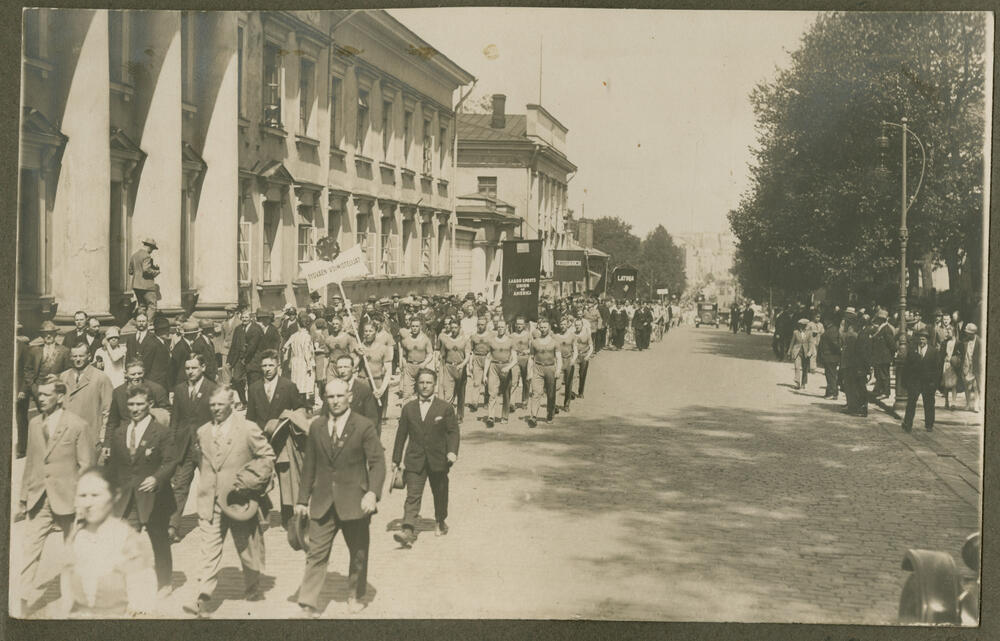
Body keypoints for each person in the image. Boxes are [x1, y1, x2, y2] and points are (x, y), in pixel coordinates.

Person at [295, 378, 386, 617]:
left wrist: (372, 493)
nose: (335, 401)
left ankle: (355, 595)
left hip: (355, 501)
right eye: (330, 397)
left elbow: (377, 462)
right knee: (316, 552)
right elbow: (309, 466)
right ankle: (308, 602)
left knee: (358, 552)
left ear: (350, 397)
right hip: (323, 501)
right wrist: (302, 500)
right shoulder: (317, 426)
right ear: (325, 398)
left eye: (339, 396)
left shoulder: (364, 426)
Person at [183, 387, 275, 617]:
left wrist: (251, 480)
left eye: (220, 405)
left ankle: (252, 584)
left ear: (231, 405)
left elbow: (267, 456)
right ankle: (203, 598)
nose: (215, 409)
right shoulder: (203, 431)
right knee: (209, 550)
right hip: (210, 501)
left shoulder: (247, 428)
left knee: (246, 545)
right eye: (212, 405)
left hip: (238, 499)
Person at [18, 376, 94, 615]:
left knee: (72, 551)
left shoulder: (77, 425)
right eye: (39, 394)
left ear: (60, 397)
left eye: (46, 394)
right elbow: (31, 462)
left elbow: (86, 467)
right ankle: (22, 601)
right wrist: (23, 497)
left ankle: (72, 600)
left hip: (69, 500)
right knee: (29, 550)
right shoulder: (33, 424)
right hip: (39, 498)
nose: (40, 399)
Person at [105, 384, 177, 596]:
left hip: (154, 497)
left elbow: (171, 461)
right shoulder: (120, 433)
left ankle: (164, 582)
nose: (135, 409)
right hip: (128, 498)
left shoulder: (161, 432)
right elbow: (114, 467)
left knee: (159, 540)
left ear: (150, 404)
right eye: (131, 404)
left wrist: (156, 478)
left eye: (139, 404)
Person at [57, 467, 157, 617]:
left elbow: (143, 607)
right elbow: (67, 593)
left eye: (95, 495)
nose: (88, 503)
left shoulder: (130, 542)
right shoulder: (77, 537)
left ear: (115, 495)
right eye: (83, 495)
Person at [392, 369, 459, 548]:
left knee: (440, 493)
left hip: (439, 460)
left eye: (428, 382)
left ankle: (440, 521)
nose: (425, 386)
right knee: (412, 495)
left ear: (434, 385)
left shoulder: (445, 408)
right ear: (417, 384)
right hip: (415, 459)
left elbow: (453, 432)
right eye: (421, 382)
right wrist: (396, 459)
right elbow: (401, 435)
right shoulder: (408, 408)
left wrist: (452, 452)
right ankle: (407, 530)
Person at [245, 349, 305, 527]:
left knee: (286, 480)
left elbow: (300, 410)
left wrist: (287, 418)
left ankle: (288, 517)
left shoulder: (288, 386)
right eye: (264, 365)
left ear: (278, 365)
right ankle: (260, 514)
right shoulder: (254, 388)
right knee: (260, 478)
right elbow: (250, 417)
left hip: (284, 440)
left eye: (271, 365)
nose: (267, 369)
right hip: (262, 442)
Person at [168, 353, 217, 543]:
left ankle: (214, 525)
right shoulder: (180, 389)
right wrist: (172, 443)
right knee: (179, 486)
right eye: (187, 368)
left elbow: (219, 420)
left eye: (194, 368)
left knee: (210, 486)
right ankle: (172, 527)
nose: (190, 371)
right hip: (184, 447)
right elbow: (175, 420)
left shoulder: (212, 389)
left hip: (206, 447)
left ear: (203, 368)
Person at [60, 342, 114, 452]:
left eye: (81, 356)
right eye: (74, 356)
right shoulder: (64, 377)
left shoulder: (101, 378)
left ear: (89, 356)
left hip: (90, 436)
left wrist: (103, 435)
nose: (78, 359)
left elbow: (108, 410)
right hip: (67, 436)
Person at [108, 360, 171, 434]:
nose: (137, 376)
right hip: (126, 433)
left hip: (149, 433)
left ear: (144, 372)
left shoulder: (156, 389)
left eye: (139, 373)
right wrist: (108, 441)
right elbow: (112, 421)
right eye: (133, 374)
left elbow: (167, 414)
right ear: (126, 374)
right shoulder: (118, 392)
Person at [25, 320, 72, 412]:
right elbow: (28, 370)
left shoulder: (64, 351)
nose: (48, 336)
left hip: (56, 389)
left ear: (55, 334)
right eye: (45, 333)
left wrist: (58, 377)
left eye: (51, 333)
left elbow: (69, 371)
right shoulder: (34, 351)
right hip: (38, 390)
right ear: (42, 335)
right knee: (41, 416)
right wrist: (34, 388)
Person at [901, 330, 940, 432]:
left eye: (923, 339)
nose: (921, 341)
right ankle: (908, 423)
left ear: (927, 340)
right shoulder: (912, 350)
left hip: (928, 382)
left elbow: (937, 369)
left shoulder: (933, 351)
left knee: (929, 404)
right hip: (915, 382)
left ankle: (929, 425)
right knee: (911, 403)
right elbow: (907, 367)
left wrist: (935, 384)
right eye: (920, 339)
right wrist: (905, 382)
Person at [527, 318, 562, 427]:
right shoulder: (534, 342)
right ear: (538, 328)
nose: (543, 329)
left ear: (549, 328)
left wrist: (558, 370)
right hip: (537, 368)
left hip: (550, 369)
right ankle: (533, 416)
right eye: (541, 327)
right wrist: (529, 372)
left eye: (545, 327)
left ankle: (550, 414)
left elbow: (559, 358)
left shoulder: (555, 342)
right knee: (536, 393)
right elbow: (531, 357)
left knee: (551, 394)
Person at [359, 321, 393, 428]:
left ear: (375, 332)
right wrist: (359, 356)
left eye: (370, 331)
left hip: (377, 384)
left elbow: (388, 370)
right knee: (361, 416)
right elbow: (352, 366)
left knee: (376, 418)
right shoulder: (359, 347)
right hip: (362, 382)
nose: (368, 333)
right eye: (366, 331)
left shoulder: (383, 348)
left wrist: (382, 389)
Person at [483, 319, 517, 428]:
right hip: (494, 367)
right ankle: (491, 417)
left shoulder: (511, 341)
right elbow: (488, 358)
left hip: (506, 367)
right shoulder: (491, 341)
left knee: (506, 393)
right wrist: (484, 374)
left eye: (502, 327)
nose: (501, 329)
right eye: (499, 327)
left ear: (506, 328)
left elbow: (515, 359)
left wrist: (508, 367)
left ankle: (504, 416)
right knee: (492, 392)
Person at [336, 354, 380, 431]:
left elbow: (372, 419)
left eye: (346, 367)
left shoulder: (364, 391)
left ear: (353, 369)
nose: (342, 371)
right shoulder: (331, 390)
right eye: (340, 367)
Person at [438, 317, 470, 422]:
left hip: (461, 368)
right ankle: (447, 416)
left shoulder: (465, 340)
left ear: (459, 327)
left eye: (456, 327)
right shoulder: (446, 339)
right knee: (448, 393)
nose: (453, 330)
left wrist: (462, 365)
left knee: (460, 393)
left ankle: (460, 415)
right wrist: (440, 364)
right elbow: (442, 354)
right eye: (452, 327)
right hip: (449, 367)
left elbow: (467, 356)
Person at [282, 312, 316, 407]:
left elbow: (285, 346)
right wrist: (309, 365)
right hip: (303, 362)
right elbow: (306, 352)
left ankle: (297, 403)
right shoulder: (307, 337)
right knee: (304, 384)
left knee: (296, 383)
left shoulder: (294, 335)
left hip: (295, 361)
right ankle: (303, 404)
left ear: (298, 324)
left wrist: (288, 357)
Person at [399, 316, 434, 405]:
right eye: (413, 326)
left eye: (416, 326)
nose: (414, 328)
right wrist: (404, 363)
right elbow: (403, 354)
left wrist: (424, 363)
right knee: (406, 393)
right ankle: (406, 411)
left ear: (420, 327)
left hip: (421, 367)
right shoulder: (406, 339)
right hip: (409, 367)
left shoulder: (425, 339)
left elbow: (430, 354)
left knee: (422, 392)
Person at [129, 237, 161, 321]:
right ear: (150, 247)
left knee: (141, 306)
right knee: (152, 306)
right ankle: (148, 324)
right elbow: (146, 270)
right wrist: (156, 272)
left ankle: (140, 323)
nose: (152, 251)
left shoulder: (134, 255)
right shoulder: (147, 256)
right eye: (152, 249)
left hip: (136, 285)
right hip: (147, 286)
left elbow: (130, 271)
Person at [467, 316, 493, 412]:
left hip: (488, 358)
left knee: (488, 382)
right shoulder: (473, 336)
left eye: (482, 324)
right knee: (476, 382)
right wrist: (470, 364)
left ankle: (486, 402)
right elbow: (471, 351)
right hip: (477, 359)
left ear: (486, 325)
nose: (480, 326)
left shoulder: (491, 336)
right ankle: (474, 403)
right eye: (479, 325)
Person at [869, 309, 895, 399]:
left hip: (884, 357)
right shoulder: (880, 328)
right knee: (879, 375)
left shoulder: (886, 329)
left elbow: (892, 344)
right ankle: (879, 390)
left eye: (879, 319)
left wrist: (890, 355)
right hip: (879, 357)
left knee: (884, 375)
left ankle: (885, 392)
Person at [145, 316, 173, 392]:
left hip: (163, 383)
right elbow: (146, 365)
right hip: (155, 383)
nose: (168, 332)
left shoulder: (164, 342)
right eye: (166, 330)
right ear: (159, 331)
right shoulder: (152, 344)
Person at [555, 321, 578, 413]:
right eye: (561, 324)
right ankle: (555, 405)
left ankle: (566, 404)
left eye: (564, 324)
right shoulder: (556, 336)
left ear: (567, 325)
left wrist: (573, 359)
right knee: (557, 384)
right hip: (559, 361)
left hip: (569, 361)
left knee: (569, 384)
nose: (562, 326)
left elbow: (575, 350)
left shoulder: (572, 336)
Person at [818, 314, 842, 400]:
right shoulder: (831, 329)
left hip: (831, 356)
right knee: (830, 375)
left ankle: (832, 393)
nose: (824, 322)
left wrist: (838, 352)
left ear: (829, 321)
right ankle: (830, 392)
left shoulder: (832, 330)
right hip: (830, 356)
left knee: (831, 375)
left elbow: (834, 344)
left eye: (826, 320)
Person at [510, 316, 532, 409]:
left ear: (524, 325)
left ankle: (524, 402)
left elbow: (532, 348)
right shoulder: (512, 336)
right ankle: (512, 403)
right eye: (518, 324)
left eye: (521, 324)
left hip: (525, 359)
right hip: (515, 360)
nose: (519, 326)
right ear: (515, 325)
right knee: (514, 381)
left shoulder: (528, 335)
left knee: (526, 381)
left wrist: (528, 351)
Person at [959, 323, 982, 412]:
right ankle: (968, 404)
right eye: (967, 333)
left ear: (973, 333)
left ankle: (976, 405)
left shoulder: (980, 342)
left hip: (975, 367)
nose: (967, 335)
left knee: (976, 386)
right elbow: (962, 354)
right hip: (966, 366)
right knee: (966, 387)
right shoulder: (964, 341)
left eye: (968, 333)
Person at [786, 318, 813, 390]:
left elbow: (811, 343)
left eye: (803, 325)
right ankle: (797, 382)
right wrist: (789, 351)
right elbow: (792, 342)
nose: (801, 326)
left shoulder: (809, 333)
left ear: (805, 325)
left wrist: (810, 351)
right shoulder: (795, 332)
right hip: (797, 351)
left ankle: (803, 383)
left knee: (805, 368)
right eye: (800, 325)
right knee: (797, 367)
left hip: (806, 352)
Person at [939, 322, 960, 409]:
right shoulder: (944, 343)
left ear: (953, 332)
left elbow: (961, 353)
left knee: (954, 384)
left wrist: (956, 359)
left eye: (949, 332)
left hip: (954, 365)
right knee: (946, 384)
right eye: (947, 332)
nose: (947, 333)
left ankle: (953, 403)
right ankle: (946, 401)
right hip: (946, 364)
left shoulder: (958, 343)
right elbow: (941, 354)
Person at [573, 317, 595, 400]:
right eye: (576, 325)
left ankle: (580, 392)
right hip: (575, 357)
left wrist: (588, 356)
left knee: (582, 375)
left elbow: (591, 347)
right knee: (573, 375)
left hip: (584, 356)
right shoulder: (572, 335)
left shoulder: (587, 335)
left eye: (579, 325)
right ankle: (571, 392)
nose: (577, 326)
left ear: (582, 325)